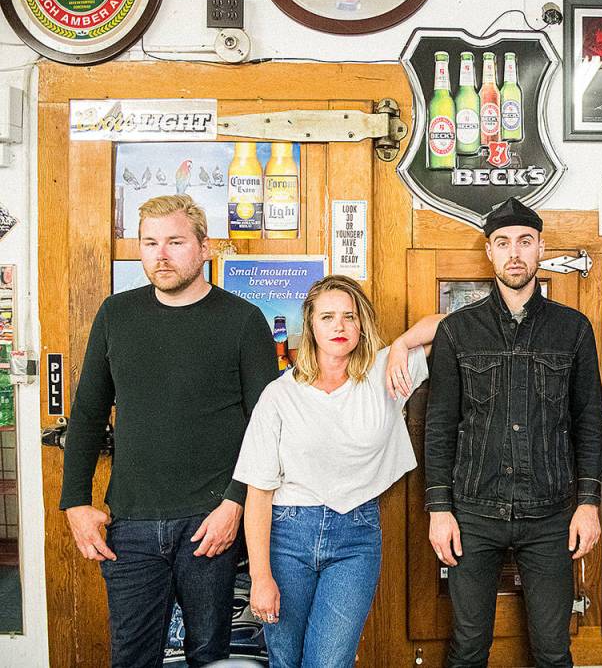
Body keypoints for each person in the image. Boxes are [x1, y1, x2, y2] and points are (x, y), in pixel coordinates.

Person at [60, 194, 279, 668]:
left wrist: (235, 503)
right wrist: (76, 502)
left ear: (205, 248)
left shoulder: (243, 321)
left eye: (176, 242)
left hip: (210, 521)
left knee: (211, 656)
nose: (161, 255)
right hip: (131, 523)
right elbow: (87, 414)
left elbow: (268, 429)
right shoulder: (115, 314)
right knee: (133, 658)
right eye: (150, 243)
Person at [424, 197, 602, 668]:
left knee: (552, 650)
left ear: (541, 247)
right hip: (473, 513)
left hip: (549, 514)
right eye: (503, 243)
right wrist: (439, 509)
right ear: (489, 251)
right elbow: (440, 424)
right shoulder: (458, 330)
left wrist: (588, 503)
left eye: (525, 241)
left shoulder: (574, 329)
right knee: (467, 647)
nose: (515, 253)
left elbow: (589, 421)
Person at [233, 274, 442, 668]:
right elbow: (258, 493)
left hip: (356, 536)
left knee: (328, 662)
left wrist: (401, 344)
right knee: (286, 659)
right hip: (286, 537)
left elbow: (451, 324)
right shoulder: (280, 395)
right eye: (327, 317)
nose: (339, 326)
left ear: (361, 325)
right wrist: (261, 578)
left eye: (349, 316)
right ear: (310, 326)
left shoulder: (385, 372)